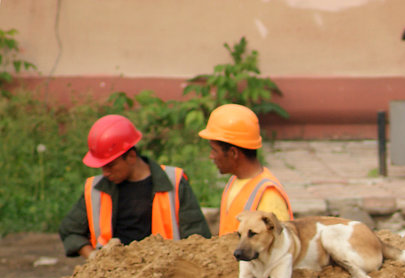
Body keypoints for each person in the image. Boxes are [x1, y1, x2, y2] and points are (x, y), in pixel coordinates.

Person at [60, 114, 210, 258]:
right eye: (102, 166)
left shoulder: (173, 181)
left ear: (131, 156)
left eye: (110, 165)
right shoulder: (96, 188)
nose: (105, 172)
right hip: (114, 276)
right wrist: (93, 256)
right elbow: (70, 229)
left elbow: (198, 238)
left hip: (164, 274)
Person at [198, 103, 292, 235]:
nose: (211, 156)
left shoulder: (268, 196)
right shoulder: (235, 182)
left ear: (233, 153)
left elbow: (278, 250)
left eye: (214, 150)